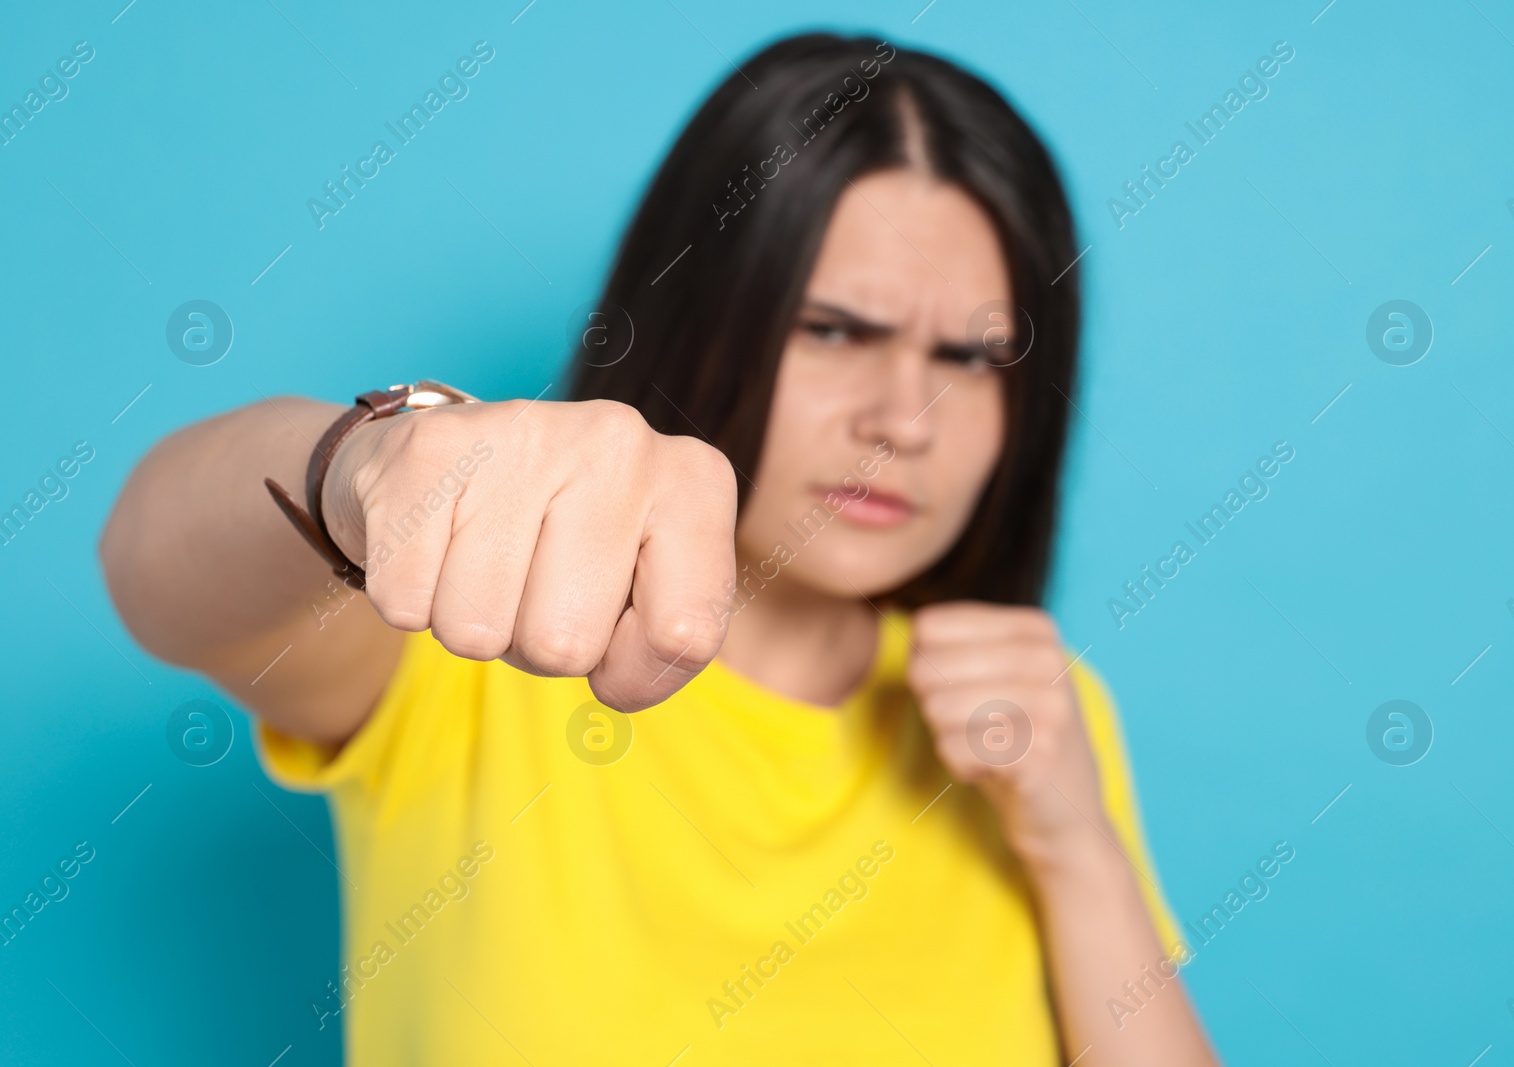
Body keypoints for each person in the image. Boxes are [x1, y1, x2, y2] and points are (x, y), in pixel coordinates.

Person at [101, 32, 1218, 1066]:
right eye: (833, 329)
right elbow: (153, 571)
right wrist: (363, 467)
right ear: (699, 314)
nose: (906, 419)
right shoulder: (468, 626)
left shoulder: (1034, 717)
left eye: (975, 357)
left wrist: (1076, 843)